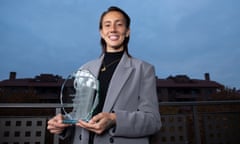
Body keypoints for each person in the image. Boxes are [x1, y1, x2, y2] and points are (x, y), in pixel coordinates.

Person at [47, 6, 161, 144]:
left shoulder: (144, 69)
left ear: (127, 32)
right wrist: (64, 124)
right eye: (107, 25)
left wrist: (115, 119)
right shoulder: (85, 68)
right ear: (101, 32)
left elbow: (153, 121)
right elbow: (81, 115)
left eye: (119, 24)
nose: (113, 29)